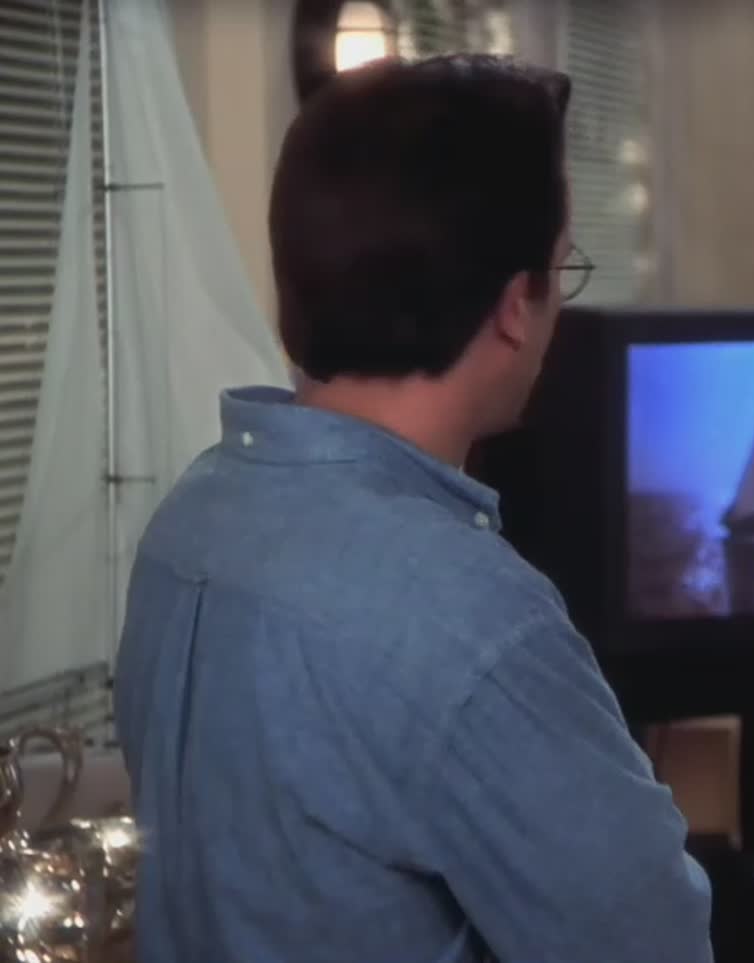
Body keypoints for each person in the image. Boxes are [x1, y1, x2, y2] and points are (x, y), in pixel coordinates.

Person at [114, 55, 713, 963]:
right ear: (514, 305)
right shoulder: (477, 622)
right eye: (563, 268)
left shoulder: (189, 520)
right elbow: (654, 945)